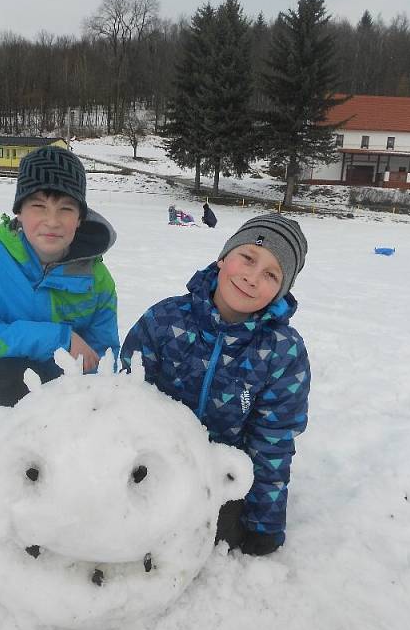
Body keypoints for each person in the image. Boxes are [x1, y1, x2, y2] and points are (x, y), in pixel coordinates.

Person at [120, 214, 310, 556]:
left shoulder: (283, 351)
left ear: (281, 291)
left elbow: (273, 441)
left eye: (271, 274)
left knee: (209, 540)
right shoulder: (164, 320)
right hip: (153, 464)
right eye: (248, 258)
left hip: (220, 477)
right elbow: (125, 401)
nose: (252, 277)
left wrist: (264, 524)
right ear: (223, 257)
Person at [0, 146, 119, 410]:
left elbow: (103, 355)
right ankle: (6, 448)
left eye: (65, 208)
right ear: (19, 211)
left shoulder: (98, 279)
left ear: (79, 219)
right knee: (8, 377)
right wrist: (60, 338)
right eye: (39, 206)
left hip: (65, 379)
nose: (52, 221)